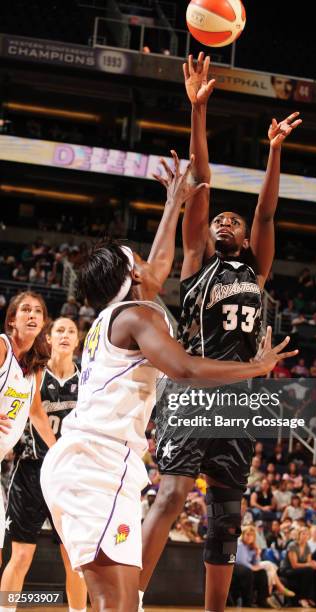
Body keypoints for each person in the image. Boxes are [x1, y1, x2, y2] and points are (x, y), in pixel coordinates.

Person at [40, 153, 296, 612]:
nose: (149, 262)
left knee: (117, 604)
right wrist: (256, 369)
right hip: (93, 464)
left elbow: (157, 262)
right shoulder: (138, 317)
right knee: (112, 601)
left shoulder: (125, 311)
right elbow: (186, 370)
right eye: (137, 262)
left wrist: (174, 201)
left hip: (104, 464)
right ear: (131, 278)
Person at [140, 52, 301, 612]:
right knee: (173, 492)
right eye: (218, 221)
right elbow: (201, 182)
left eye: (233, 221)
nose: (227, 222)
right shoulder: (194, 261)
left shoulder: (256, 269)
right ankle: (125, 600)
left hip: (239, 400)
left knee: (227, 517)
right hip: (192, 394)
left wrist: (274, 152)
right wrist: (198, 113)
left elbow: (267, 214)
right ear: (206, 233)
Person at [1, 317, 87, 612]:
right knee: (20, 556)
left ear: (78, 340)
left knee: (74, 561)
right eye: (59, 330)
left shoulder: (87, 380)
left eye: (71, 331)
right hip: (31, 469)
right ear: (48, 338)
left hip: (71, 476)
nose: (65, 335)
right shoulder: (33, 374)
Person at [0, 292, 56, 568]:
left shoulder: (35, 366)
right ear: (12, 320)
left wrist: (58, 453)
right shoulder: (2, 348)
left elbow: (36, 413)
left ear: (44, 322)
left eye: (38, 311)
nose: (32, 315)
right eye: (25, 310)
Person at [280, 526, 316, 608]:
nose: (305, 536)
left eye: (307, 534)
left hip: (300, 569)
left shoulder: (307, 547)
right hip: (287, 569)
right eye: (303, 534)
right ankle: (303, 598)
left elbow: (308, 562)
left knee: (315, 570)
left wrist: (313, 563)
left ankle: (311, 598)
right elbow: (294, 565)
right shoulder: (293, 545)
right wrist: (309, 564)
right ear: (299, 535)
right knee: (309, 570)